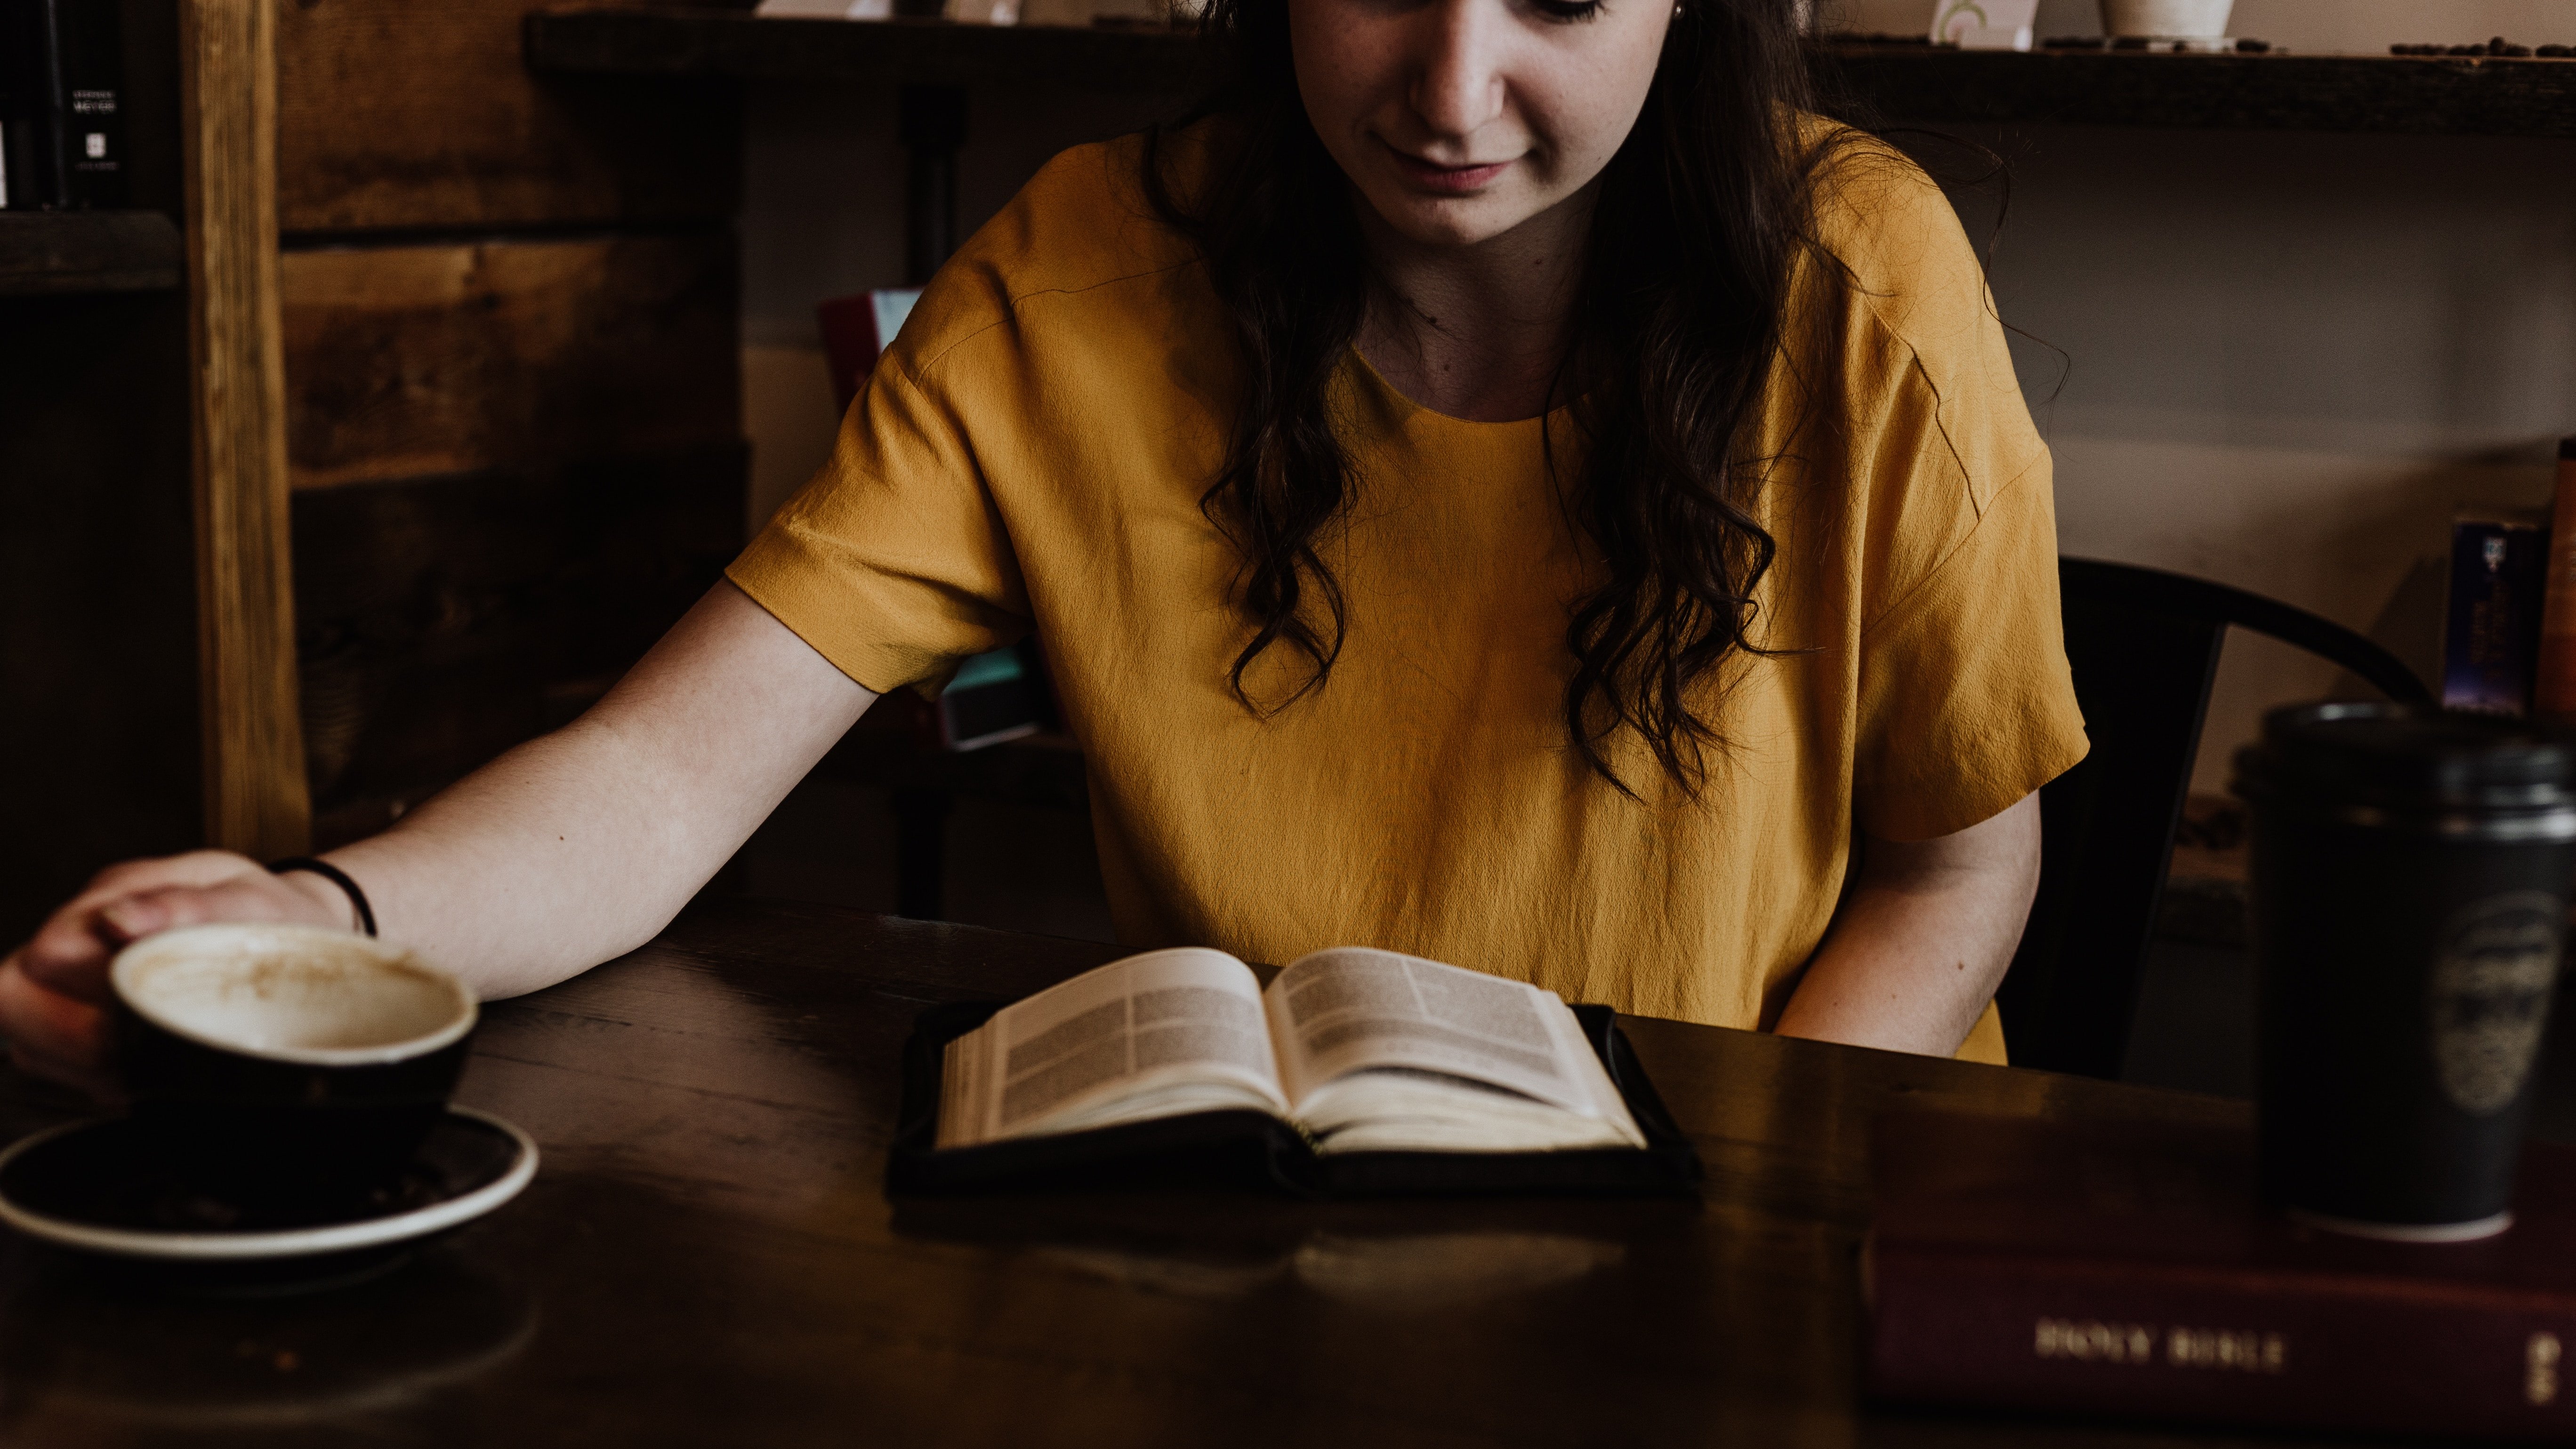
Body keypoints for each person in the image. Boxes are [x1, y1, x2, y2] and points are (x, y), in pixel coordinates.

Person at [1, 0, 2083, 1098]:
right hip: (1262, 1244)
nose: (1454, 84)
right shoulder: (1085, 263)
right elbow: (656, 780)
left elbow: (1960, 862)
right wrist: (320, 913)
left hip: (1756, 1243)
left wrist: (1731, 1212)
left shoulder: (1864, 278)